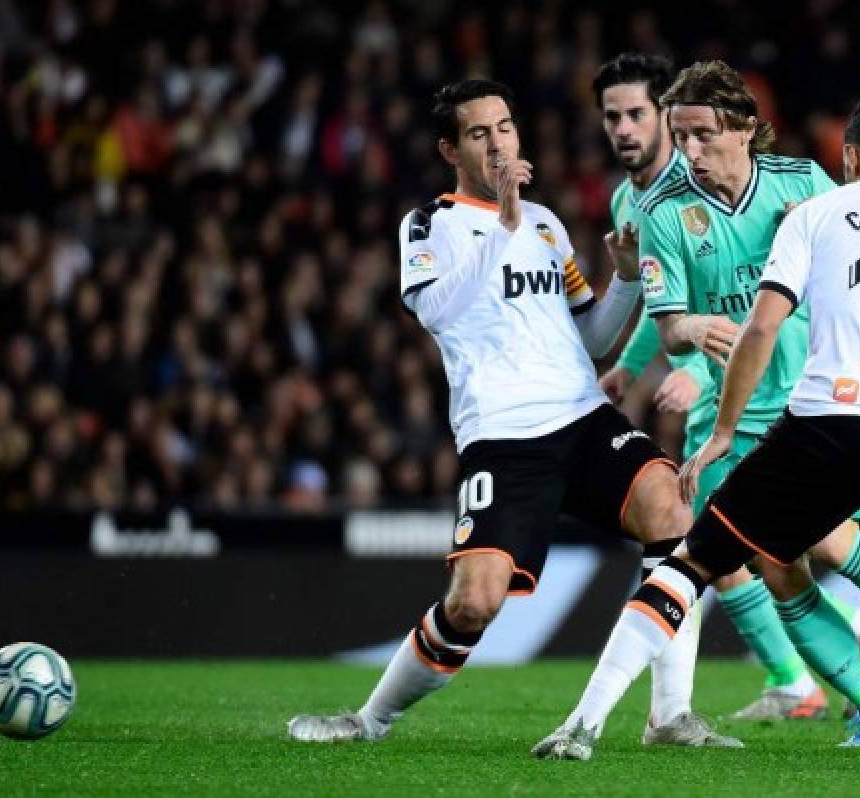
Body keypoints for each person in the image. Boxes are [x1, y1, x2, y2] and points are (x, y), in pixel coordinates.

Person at [542, 92, 860, 763]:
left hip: (825, 424)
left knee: (691, 563)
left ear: (850, 156)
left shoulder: (814, 210)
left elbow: (763, 326)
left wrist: (718, 431)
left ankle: (585, 724)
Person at [287, 78, 736, 748]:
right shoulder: (430, 223)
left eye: (504, 126)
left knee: (672, 508)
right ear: (449, 148)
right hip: (503, 437)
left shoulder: (548, 225)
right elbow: (434, 310)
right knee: (473, 603)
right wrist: (500, 224)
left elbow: (588, 338)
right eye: (478, 132)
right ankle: (370, 719)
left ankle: (669, 715)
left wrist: (624, 278)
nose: (497, 141)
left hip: (581, 417)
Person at [591, 52, 860, 723]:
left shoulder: (707, 178)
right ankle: (815, 662)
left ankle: (831, 655)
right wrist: (635, 367)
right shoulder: (627, 202)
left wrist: (695, 372)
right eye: (612, 115)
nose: (625, 127)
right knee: (734, 535)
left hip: (765, 381)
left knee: (752, 532)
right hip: (717, 381)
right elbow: (667, 305)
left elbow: (743, 301)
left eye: (638, 113)